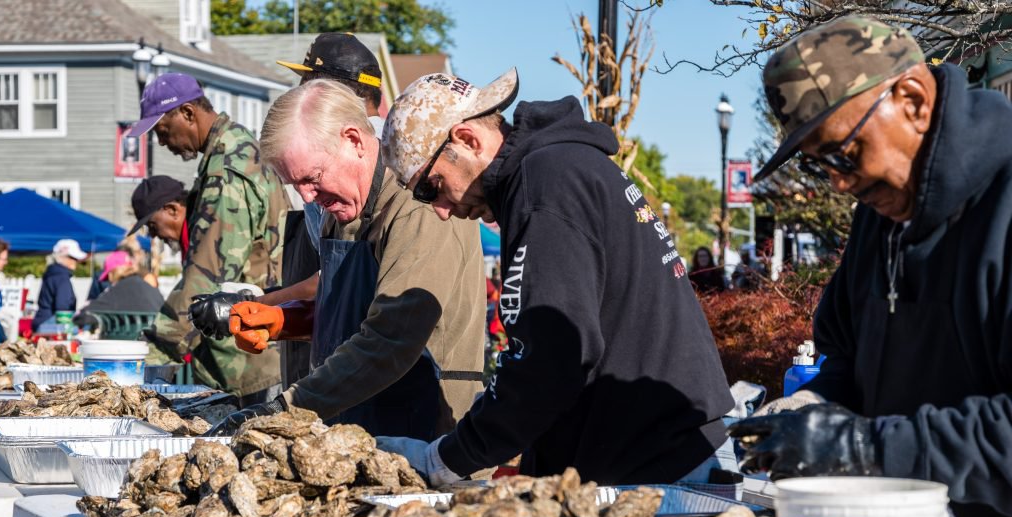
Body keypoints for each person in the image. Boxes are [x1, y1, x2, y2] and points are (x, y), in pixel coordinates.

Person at [726, 15, 1012, 517]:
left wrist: (863, 447)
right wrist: (810, 407)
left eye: (843, 153)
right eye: (818, 162)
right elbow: (846, 357)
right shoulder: (881, 214)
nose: (838, 182)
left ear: (911, 100)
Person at [377, 69, 734, 486]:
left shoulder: (544, 184)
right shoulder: (560, 169)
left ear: (467, 140)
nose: (440, 209)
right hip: (657, 448)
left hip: (656, 465)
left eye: (431, 186)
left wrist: (449, 457)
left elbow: (550, 359)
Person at [201, 78, 485, 447]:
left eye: (312, 178)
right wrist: (286, 320)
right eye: (294, 184)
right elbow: (352, 312)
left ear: (353, 140)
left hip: (426, 428)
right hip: (356, 421)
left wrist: (288, 408)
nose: (307, 196)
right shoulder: (341, 209)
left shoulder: (416, 206)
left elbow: (392, 337)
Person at [191, 33, 389, 391]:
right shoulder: (358, 154)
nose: (307, 193)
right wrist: (276, 319)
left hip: (362, 372)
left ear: (326, 93)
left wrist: (257, 303)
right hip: (338, 353)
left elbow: (333, 279)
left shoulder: (344, 160)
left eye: (305, 82)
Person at [125, 74, 290, 405]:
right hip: (251, 350)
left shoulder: (227, 169)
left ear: (187, 113)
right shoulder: (234, 150)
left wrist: (156, 351)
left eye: (162, 130)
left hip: (251, 359)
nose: (162, 142)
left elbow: (210, 271)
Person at [75, 250, 164, 331]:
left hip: (126, 345)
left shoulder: (119, 290)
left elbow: (82, 317)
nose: (109, 280)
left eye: (109, 275)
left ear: (113, 272)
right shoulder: (151, 289)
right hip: (154, 344)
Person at [32, 239, 86, 332]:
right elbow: (63, 309)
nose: (76, 261)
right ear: (64, 257)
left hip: (41, 322)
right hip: (50, 325)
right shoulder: (62, 277)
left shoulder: (51, 273)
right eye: (73, 258)